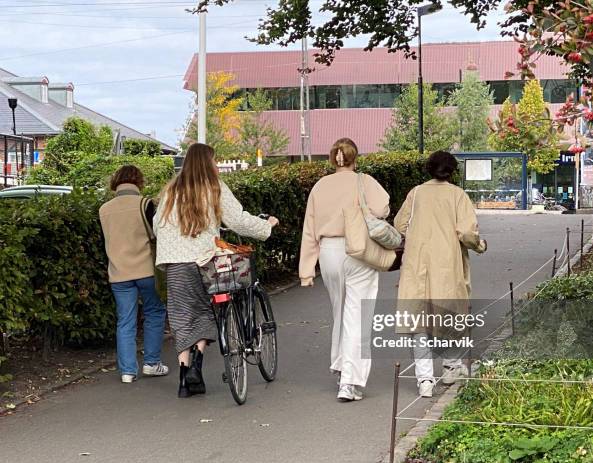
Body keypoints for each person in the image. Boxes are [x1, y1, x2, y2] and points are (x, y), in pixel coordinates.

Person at [154, 143, 279, 398]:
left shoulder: (172, 189)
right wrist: (266, 226)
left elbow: (158, 225)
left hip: (175, 262)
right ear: (208, 163)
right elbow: (238, 220)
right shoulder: (214, 187)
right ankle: (197, 364)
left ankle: (183, 374)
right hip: (205, 260)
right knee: (206, 312)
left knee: (181, 316)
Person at [299, 138, 390, 402]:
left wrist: (306, 269)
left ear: (333, 158)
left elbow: (309, 228)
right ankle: (349, 381)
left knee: (340, 311)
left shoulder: (320, 186)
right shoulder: (364, 181)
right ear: (354, 157)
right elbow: (382, 208)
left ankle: (339, 365)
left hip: (328, 252)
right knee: (358, 315)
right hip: (358, 250)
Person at [394, 151, 487, 398]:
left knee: (419, 323)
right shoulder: (458, 195)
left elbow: (399, 225)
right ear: (452, 171)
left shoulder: (415, 194)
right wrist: (480, 245)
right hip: (447, 263)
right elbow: (467, 233)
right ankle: (451, 368)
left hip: (417, 263)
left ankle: (425, 380)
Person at [99, 165, 168, 384]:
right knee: (154, 312)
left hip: (118, 271)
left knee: (125, 321)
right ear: (138, 181)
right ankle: (151, 363)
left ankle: (128, 371)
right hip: (146, 269)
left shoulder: (104, 209)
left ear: (116, 182)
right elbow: (158, 233)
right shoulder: (146, 204)